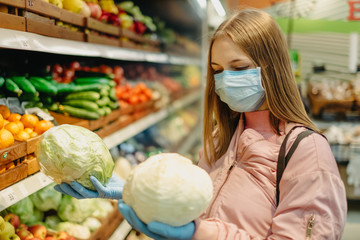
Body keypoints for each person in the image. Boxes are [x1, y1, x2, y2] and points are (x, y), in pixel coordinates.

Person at [55, 8, 347, 240]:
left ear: (273, 66)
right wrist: (131, 188)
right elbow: (191, 201)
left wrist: (200, 234)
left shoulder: (306, 153)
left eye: (240, 68)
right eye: (218, 70)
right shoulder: (222, 136)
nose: (227, 80)